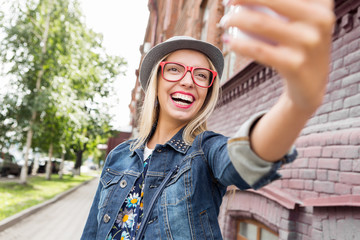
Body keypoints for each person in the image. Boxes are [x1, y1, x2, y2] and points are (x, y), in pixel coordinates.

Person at [81, 0, 335, 239]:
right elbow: (92, 231)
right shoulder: (119, 155)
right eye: (174, 69)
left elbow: (244, 160)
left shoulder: (205, 151)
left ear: (207, 91)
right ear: (155, 82)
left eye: (201, 75)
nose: (189, 81)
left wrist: (296, 103)